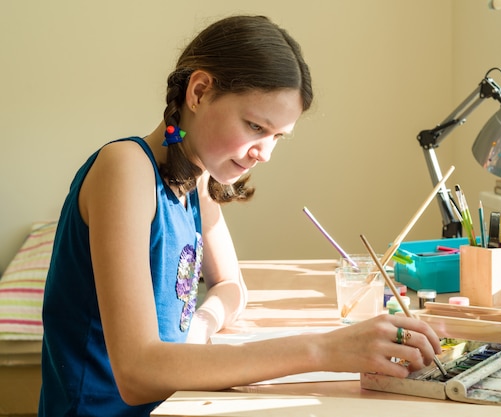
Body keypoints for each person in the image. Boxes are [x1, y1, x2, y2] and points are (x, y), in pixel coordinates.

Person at [38, 15, 442, 416]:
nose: (264, 153)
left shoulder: (193, 180)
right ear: (199, 91)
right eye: (255, 127)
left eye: (276, 137)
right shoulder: (125, 168)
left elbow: (231, 284)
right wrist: (323, 348)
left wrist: (200, 326)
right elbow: (138, 373)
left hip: (175, 405)